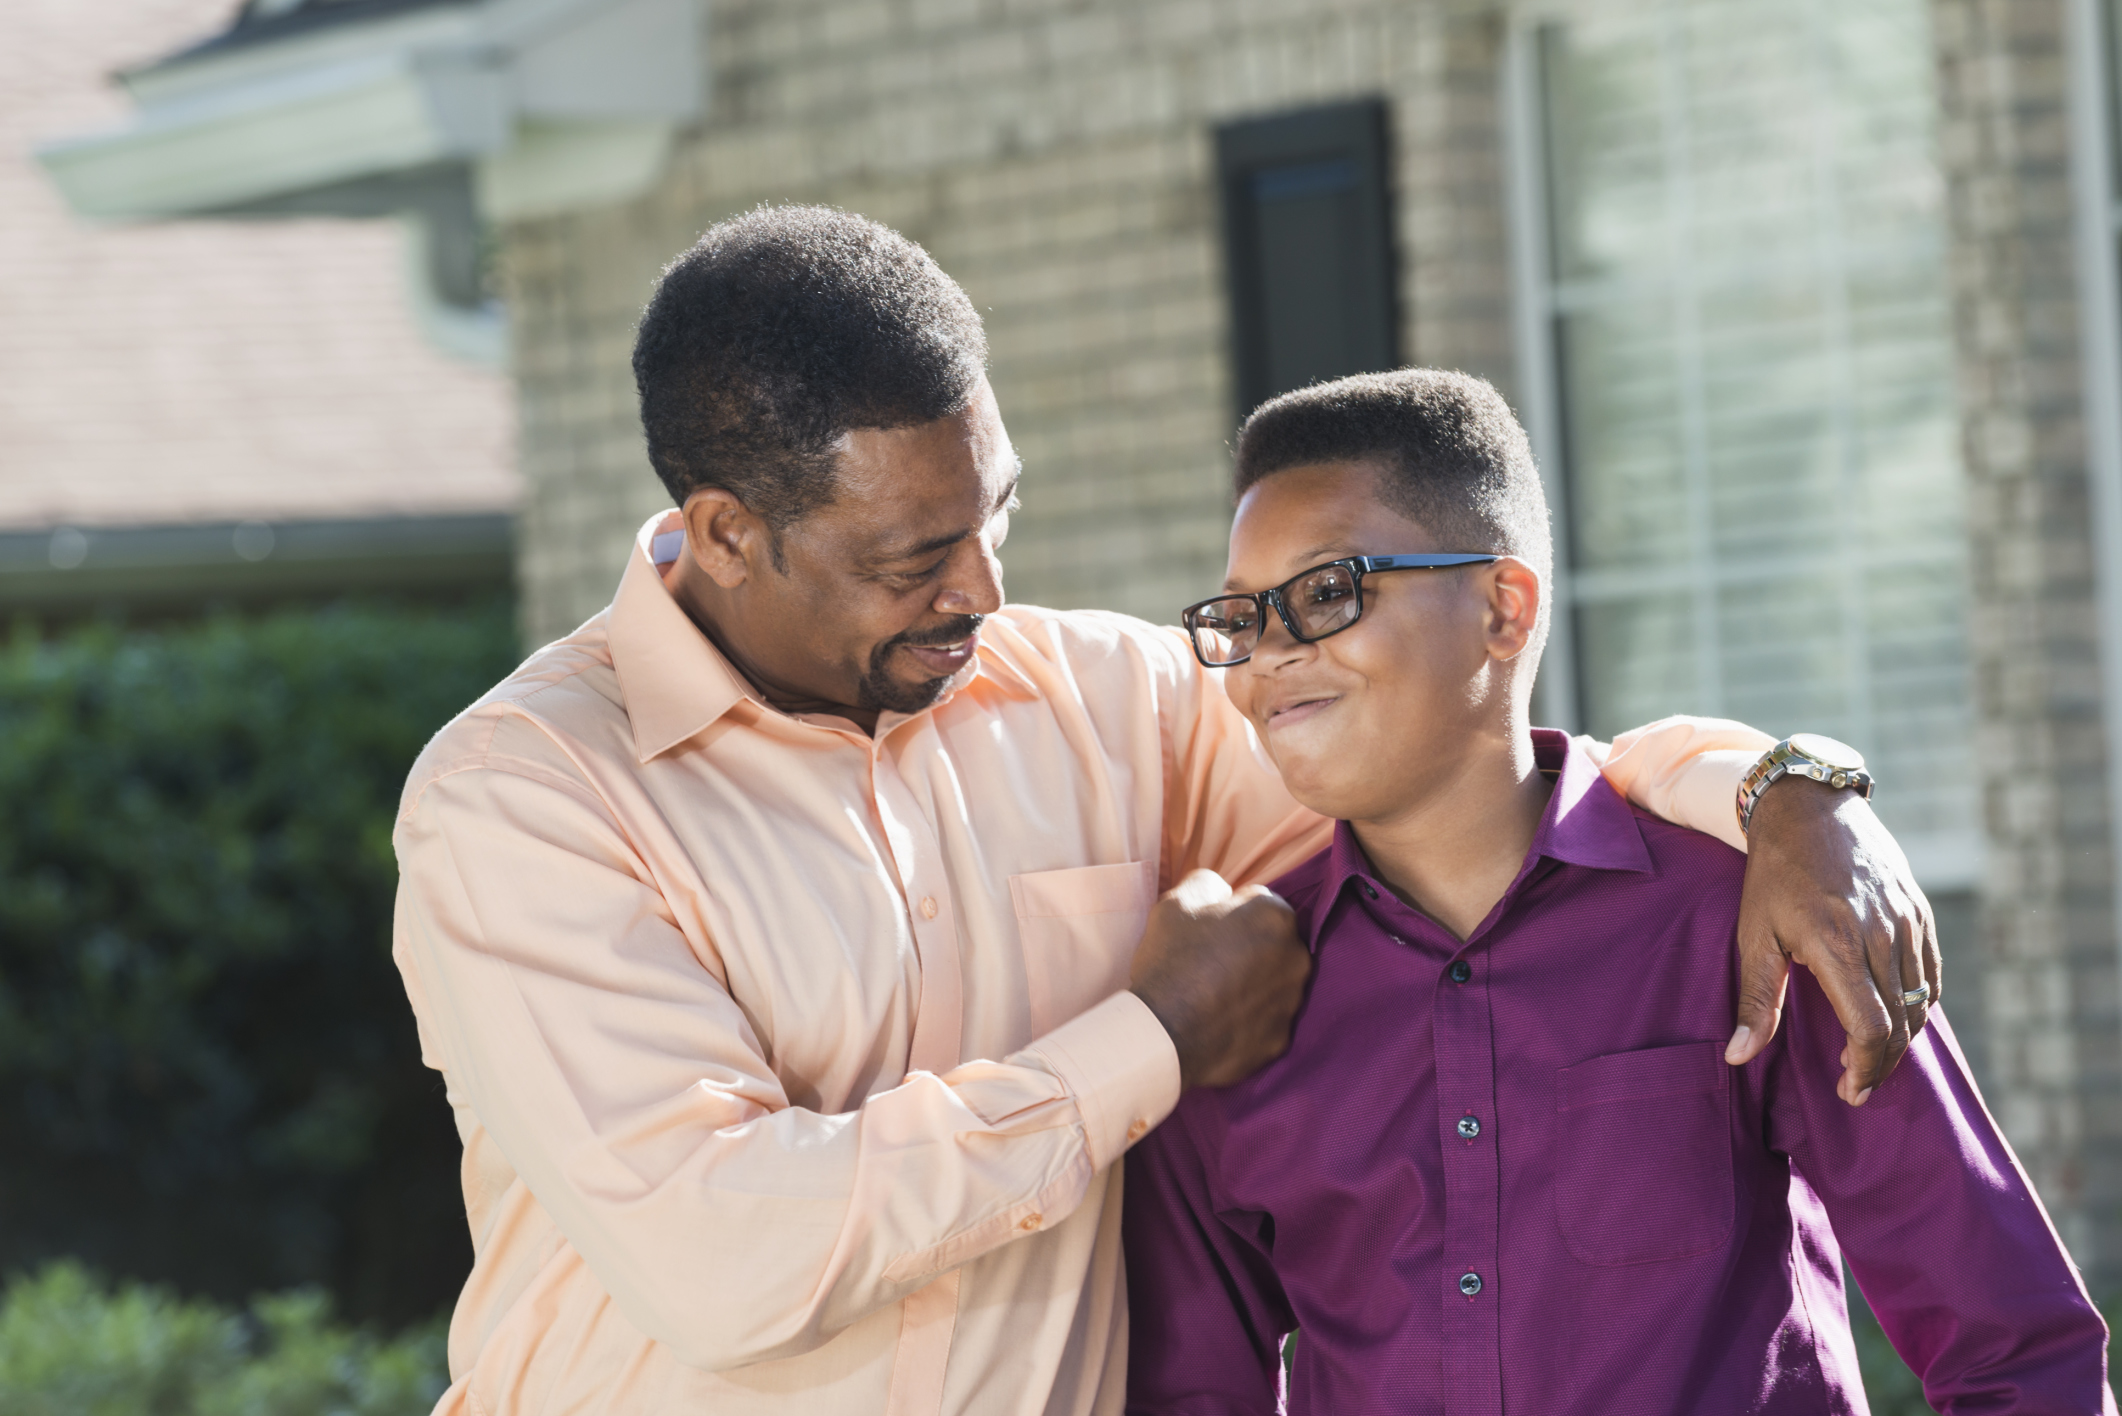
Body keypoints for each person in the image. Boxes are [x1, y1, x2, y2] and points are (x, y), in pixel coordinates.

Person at [391, 207, 1940, 1416]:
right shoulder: (524, 800)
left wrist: (1778, 788)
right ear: (726, 535)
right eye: (910, 559)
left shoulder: (1096, 704)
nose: (983, 593)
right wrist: (1146, 1042)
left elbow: (1460, 771)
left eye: (996, 513)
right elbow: (726, 1253)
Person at [1122, 368, 2112, 1415]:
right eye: (1241, 615)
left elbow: (2011, 1343)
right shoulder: (1238, 996)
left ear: (1503, 608)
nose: (1264, 658)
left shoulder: (1749, 914)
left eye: (1326, 593)